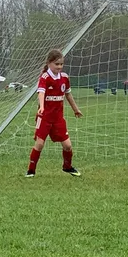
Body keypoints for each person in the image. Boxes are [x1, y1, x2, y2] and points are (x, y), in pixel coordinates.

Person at [27, 49, 83, 177]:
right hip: (45, 117)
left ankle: (67, 167)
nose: (59, 67)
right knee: (39, 144)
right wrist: (42, 107)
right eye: (56, 64)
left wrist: (76, 109)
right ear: (49, 63)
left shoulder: (64, 77)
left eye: (61, 64)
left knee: (67, 145)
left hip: (58, 118)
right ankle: (31, 170)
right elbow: (41, 92)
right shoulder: (45, 77)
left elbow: (68, 94)